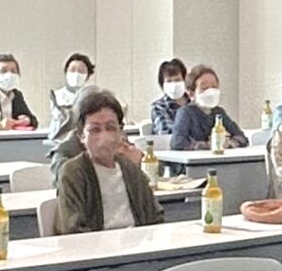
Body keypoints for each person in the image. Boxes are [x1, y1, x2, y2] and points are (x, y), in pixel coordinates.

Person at [54, 91, 166, 233]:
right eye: (95, 130)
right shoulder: (73, 172)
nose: (104, 136)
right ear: (81, 136)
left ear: (120, 133)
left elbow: (155, 216)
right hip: (95, 244)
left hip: (136, 242)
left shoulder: (130, 168)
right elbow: (73, 228)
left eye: (111, 128)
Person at [169, 64, 247, 149]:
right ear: (191, 93)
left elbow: (242, 137)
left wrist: (229, 143)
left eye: (214, 87)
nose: (211, 91)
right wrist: (209, 145)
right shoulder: (185, 113)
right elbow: (177, 142)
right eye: (204, 88)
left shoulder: (219, 112)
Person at [44, 51, 99, 161]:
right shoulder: (56, 95)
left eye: (81, 71)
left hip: (87, 143)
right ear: (66, 73)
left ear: (88, 76)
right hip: (60, 142)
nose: (76, 74)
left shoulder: (93, 95)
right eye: (72, 70)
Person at [150, 59, 189, 138]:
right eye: (169, 81)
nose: (174, 85)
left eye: (177, 80)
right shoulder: (158, 107)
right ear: (163, 85)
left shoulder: (194, 103)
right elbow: (166, 133)